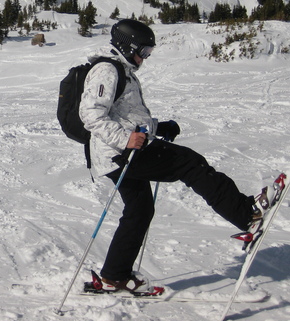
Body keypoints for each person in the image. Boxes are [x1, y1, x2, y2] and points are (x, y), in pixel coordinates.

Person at [78, 18, 262, 293]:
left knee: (140, 210)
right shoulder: (107, 70)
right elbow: (91, 115)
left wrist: (157, 127)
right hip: (119, 153)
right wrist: (127, 139)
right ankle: (246, 214)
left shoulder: (122, 70)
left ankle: (113, 277)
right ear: (128, 47)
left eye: (149, 52)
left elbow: (126, 114)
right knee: (189, 163)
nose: (145, 57)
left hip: (119, 153)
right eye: (144, 51)